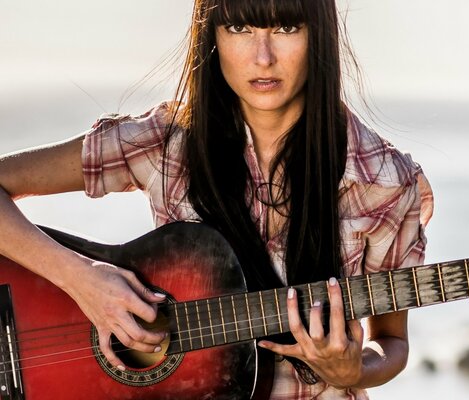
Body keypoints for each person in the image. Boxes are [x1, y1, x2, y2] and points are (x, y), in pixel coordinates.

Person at [0, 0, 433, 398]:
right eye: (239, 27)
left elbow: (391, 342)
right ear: (212, 36)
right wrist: (83, 281)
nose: (263, 57)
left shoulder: (385, 179)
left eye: (285, 27)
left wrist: (353, 369)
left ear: (317, 34)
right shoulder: (165, 143)